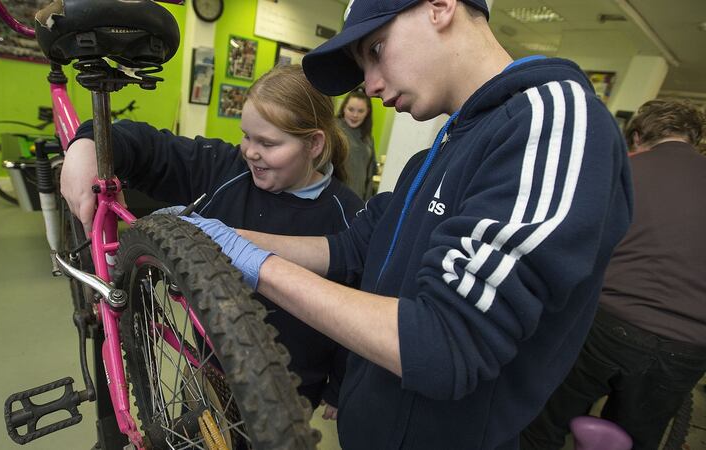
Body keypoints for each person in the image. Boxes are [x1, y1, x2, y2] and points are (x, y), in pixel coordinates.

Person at [175, 0, 634, 448]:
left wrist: (260, 266)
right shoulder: (442, 149)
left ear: (440, 7)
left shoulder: (550, 123)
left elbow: (444, 342)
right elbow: (350, 248)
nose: (370, 86)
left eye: (376, 50)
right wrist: (217, 239)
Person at [60, 64, 363, 416]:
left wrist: (339, 387)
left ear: (314, 144)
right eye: (247, 136)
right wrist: (86, 144)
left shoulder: (347, 216)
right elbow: (147, 145)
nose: (250, 151)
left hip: (290, 389)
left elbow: (359, 307)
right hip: (209, 365)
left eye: (268, 143)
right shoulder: (225, 168)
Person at [521, 99, 706, 450]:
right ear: (693, 139)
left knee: (545, 421)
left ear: (637, 136)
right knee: (635, 440)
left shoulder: (624, 171)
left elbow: (575, 245)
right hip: (689, 344)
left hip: (608, 324)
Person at [337, 88, 377, 200]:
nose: (355, 115)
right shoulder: (334, 132)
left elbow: (369, 176)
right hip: (337, 199)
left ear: (367, 112)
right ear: (344, 108)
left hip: (358, 200)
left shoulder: (368, 138)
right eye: (351, 109)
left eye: (360, 111)